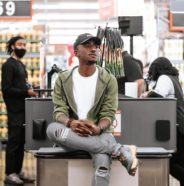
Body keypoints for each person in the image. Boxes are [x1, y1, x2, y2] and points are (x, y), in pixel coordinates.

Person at [46, 33, 138, 186]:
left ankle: (111, 148)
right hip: (71, 136)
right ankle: (118, 150)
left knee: (102, 161)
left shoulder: (108, 79)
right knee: (52, 129)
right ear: (76, 52)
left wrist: (97, 128)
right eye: (87, 46)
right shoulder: (63, 79)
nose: (93, 49)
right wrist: (71, 123)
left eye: (96, 46)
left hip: (100, 134)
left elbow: (109, 113)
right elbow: (59, 111)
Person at [142, 57, 184, 186]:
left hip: (176, 124)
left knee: (170, 162)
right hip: (183, 122)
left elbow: (158, 95)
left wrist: (145, 94)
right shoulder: (173, 78)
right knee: (180, 159)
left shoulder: (164, 78)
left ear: (156, 69)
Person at [1, 36, 37, 185]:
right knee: (14, 141)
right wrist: (26, 92)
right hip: (15, 110)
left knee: (21, 141)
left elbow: (21, 85)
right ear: (12, 46)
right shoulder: (8, 65)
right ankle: (10, 173)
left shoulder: (20, 64)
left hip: (24, 109)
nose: (23, 47)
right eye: (20, 44)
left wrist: (29, 89)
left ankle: (18, 171)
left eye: (24, 44)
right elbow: (6, 89)